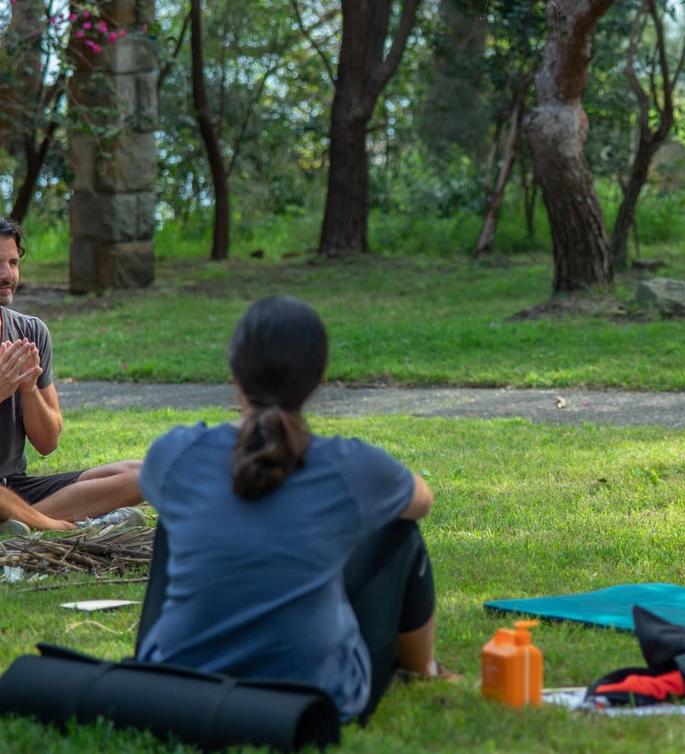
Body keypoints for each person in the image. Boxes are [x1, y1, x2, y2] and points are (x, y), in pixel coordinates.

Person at [136, 296, 445, 723]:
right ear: (317, 380)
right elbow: (422, 500)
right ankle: (425, 670)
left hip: (175, 685)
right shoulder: (353, 467)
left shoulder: (175, 454)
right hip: (313, 695)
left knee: (172, 521)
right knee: (400, 530)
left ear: (234, 373)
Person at [0, 217, 143, 529]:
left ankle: (19, 522)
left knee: (141, 476)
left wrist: (28, 388)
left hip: (16, 488)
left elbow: (48, 443)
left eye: (13, 262)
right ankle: (61, 527)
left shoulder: (31, 332)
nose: (7, 274)